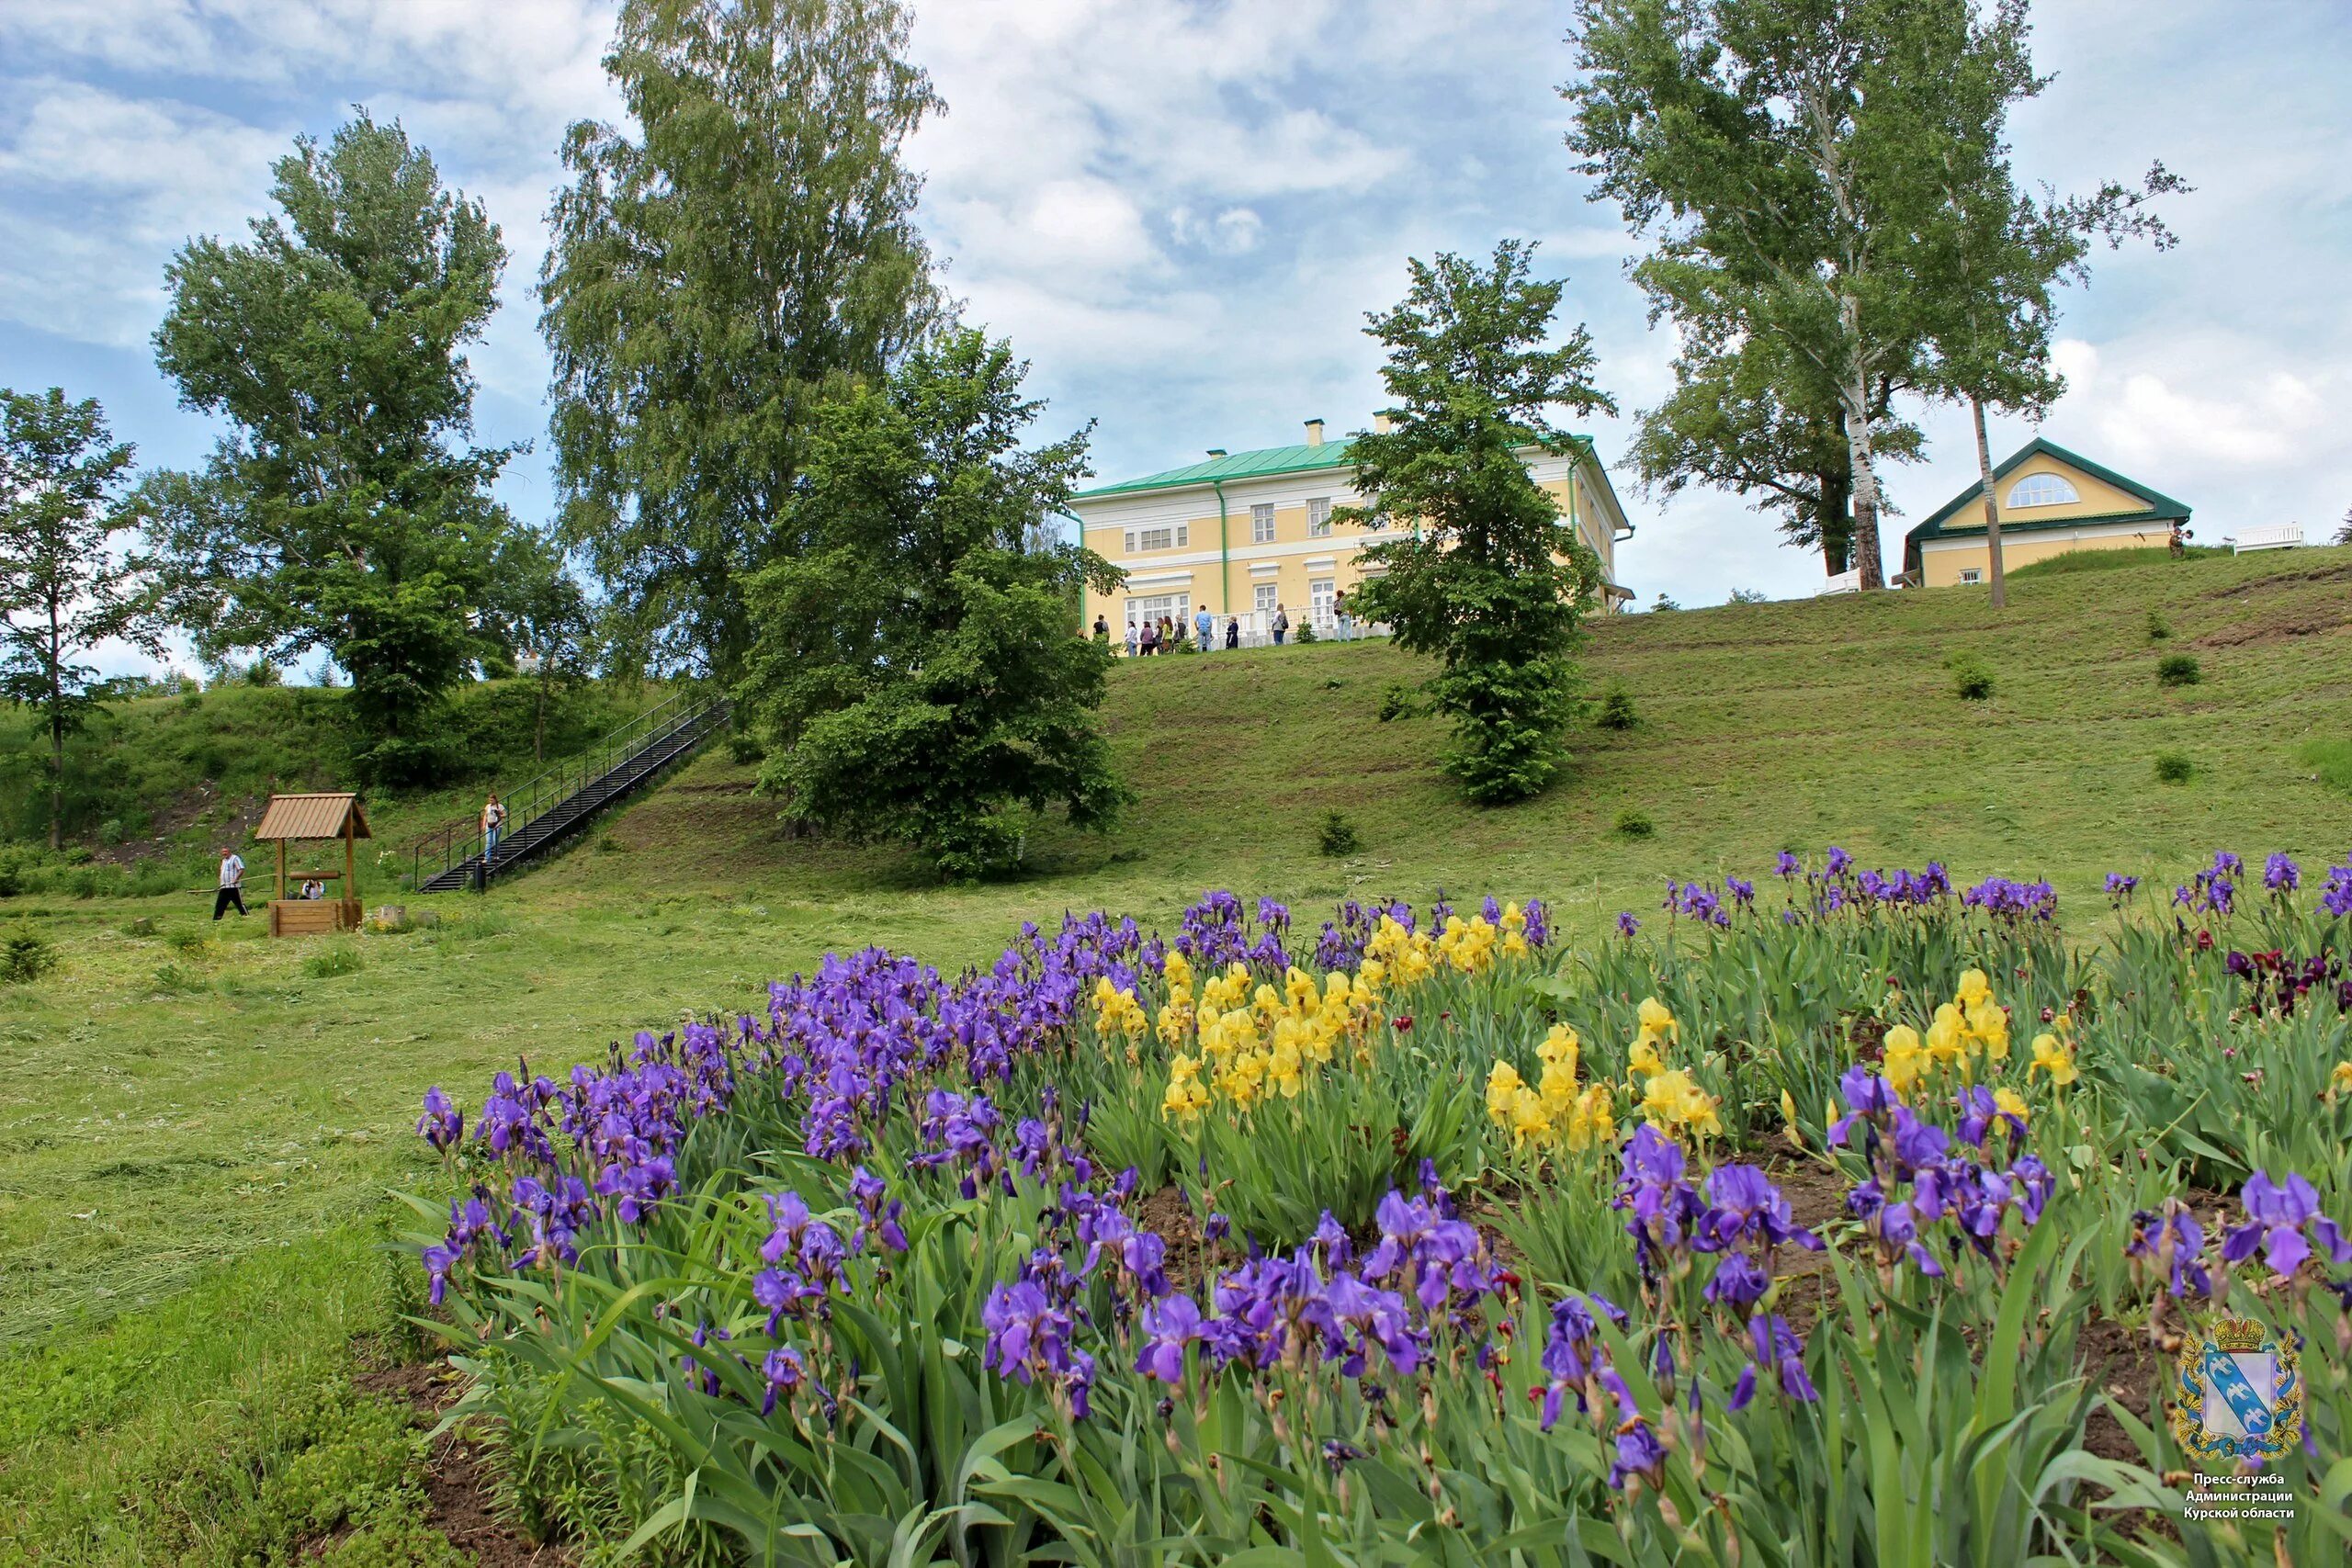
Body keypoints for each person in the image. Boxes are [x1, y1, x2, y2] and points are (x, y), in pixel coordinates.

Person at [212, 846, 247, 919]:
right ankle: (217, 919)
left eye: (226, 851)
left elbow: (241, 869)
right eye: (223, 852)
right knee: (220, 904)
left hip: (234, 887)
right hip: (224, 887)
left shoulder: (235, 858)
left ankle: (246, 916)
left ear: (229, 852)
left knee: (239, 904)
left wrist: (236, 878)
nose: (224, 853)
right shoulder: (223, 861)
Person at [481, 792, 508, 863]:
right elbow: (485, 815)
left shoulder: (500, 806)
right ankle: (487, 857)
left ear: (495, 799)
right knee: (488, 841)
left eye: (492, 800)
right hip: (489, 825)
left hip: (497, 825)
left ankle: (496, 855)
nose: (491, 801)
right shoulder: (488, 806)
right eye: (490, 800)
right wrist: (484, 824)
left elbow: (505, 815)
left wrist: (499, 813)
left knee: (495, 840)